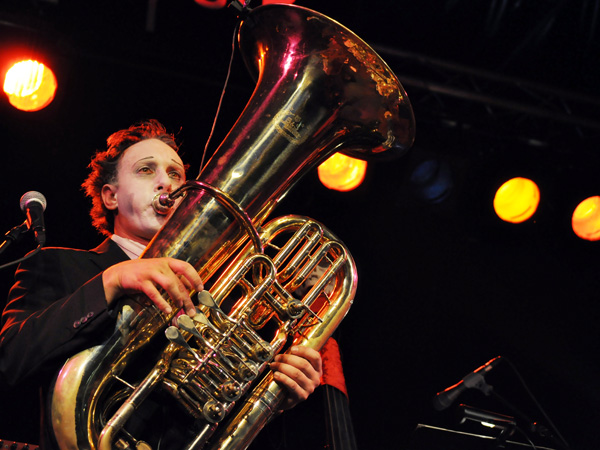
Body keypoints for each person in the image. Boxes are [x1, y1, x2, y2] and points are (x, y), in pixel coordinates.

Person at [0, 119, 322, 448]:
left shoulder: (214, 296)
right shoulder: (59, 264)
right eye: (145, 170)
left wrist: (272, 395)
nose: (166, 184)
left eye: (175, 174)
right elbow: (10, 360)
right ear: (110, 196)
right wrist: (111, 282)